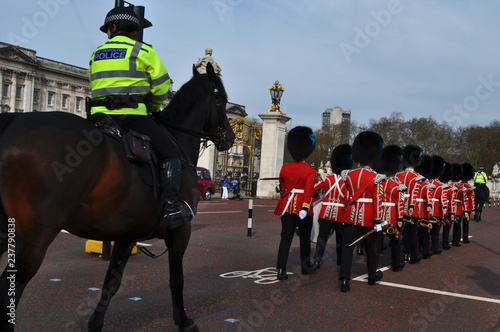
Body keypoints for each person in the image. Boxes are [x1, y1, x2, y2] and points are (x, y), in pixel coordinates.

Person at [88, 6, 187, 229]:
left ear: (113, 28)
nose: (107, 33)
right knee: (171, 153)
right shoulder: (143, 52)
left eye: (107, 30)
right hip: (132, 118)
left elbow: (94, 83)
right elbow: (162, 85)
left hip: (99, 119)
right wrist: (154, 106)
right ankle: (171, 208)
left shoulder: (96, 53)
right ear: (133, 31)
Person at [339, 131, 386, 292]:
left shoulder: (349, 175)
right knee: (371, 247)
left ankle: (344, 280)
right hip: (367, 216)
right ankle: (372, 277)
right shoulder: (375, 177)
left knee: (347, 247)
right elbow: (377, 201)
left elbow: (346, 196)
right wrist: (378, 221)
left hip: (351, 215)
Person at [274, 126, 317, 280]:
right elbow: (308, 191)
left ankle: (280, 269)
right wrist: (305, 207)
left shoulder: (285, 168)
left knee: (286, 238)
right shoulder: (310, 170)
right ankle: (305, 267)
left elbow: (282, 188)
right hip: (302, 207)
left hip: (286, 206)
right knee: (305, 238)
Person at [313, 144, 352, 269]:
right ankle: (340, 259)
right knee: (341, 238)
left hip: (325, 212)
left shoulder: (327, 179)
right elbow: (347, 198)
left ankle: (317, 259)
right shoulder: (347, 181)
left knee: (322, 237)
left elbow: (314, 189)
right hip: (340, 213)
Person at [375, 145, 407, 272]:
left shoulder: (379, 183)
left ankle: (374, 263)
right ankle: (396, 264)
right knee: (395, 240)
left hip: (380, 214)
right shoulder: (397, 185)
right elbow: (400, 203)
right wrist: (400, 217)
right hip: (393, 215)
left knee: (378, 240)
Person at [396, 145, 425, 264]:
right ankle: (412, 255)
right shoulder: (417, 177)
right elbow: (414, 193)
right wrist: (411, 207)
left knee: (398, 231)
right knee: (412, 233)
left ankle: (400, 254)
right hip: (412, 207)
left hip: (399, 205)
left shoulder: (398, 175)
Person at [428, 155, 447, 255]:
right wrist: (444, 208)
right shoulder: (441, 185)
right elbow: (443, 198)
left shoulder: (427, 183)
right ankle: (434, 247)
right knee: (436, 231)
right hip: (437, 210)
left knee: (427, 230)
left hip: (428, 209)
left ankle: (426, 247)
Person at [461, 163, 475, 243]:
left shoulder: (458, 186)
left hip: (459, 207)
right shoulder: (469, 188)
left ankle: (455, 239)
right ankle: (465, 238)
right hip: (468, 207)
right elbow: (472, 199)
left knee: (457, 225)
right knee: (466, 224)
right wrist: (473, 209)